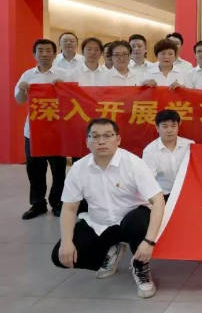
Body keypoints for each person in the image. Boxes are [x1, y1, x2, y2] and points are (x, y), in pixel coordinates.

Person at [51, 118, 165, 299]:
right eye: (95, 136)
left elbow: (158, 201)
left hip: (132, 221)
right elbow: (69, 208)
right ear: (87, 141)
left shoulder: (133, 163)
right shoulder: (79, 168)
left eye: (107, 136)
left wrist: (149, 241)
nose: (101, 141)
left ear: (118, 139)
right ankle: (112, 249)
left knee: (138, 221)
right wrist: (66, 242)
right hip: (100, 223)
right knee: (60, 257)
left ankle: (141, 267)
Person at [14, 39, 69, 219]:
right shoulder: (27, 75)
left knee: (58, 171)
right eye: (40, 50)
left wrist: (64, 88)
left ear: (55, 54)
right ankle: (38, 204)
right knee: (34, 169)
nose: (44, 54)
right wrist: (22, 90)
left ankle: (57, 203)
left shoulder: (64, 74)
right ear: (34, 54)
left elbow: (73, 102)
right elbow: (19, 100)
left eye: (48, 50)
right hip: (33, 132)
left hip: (58, 131)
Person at [142, 110, 194, 199]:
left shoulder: (189, 145)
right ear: (157, 128)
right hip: (164, 195)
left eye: (173, 126)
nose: (169, 130)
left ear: (178, 127)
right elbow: (148, 180)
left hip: (187, 191)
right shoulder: (150, 151)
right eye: (165, 126)